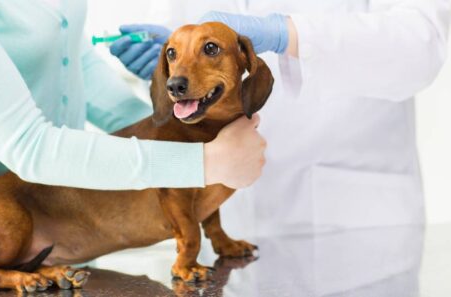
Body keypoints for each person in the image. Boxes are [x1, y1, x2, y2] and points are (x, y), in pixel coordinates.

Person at [0, 0, 268, 248]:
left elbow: (75, 63)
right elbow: (29, 147)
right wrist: (202, 162)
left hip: (65, 233)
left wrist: (174, 114)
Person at [110, 0, 451, 237]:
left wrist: (287, 33)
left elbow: (421, 44)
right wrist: (166, 67)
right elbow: (179, 79)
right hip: (231, 217)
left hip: (351, 221)